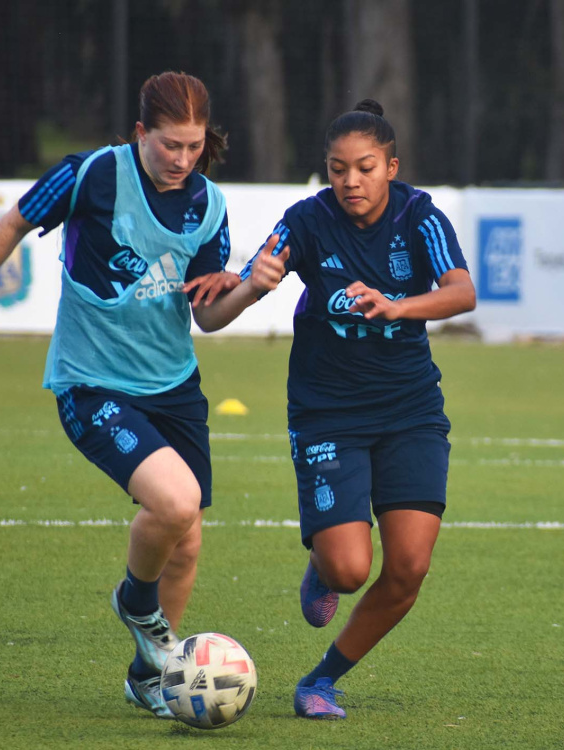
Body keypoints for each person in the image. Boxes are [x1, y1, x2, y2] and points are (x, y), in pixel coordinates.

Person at [0, 71, 283, 720]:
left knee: (186, 538)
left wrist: (253, 288)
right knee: (175, 503)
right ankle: (135, 602)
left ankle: (150, 678)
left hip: (175, 386)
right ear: (140, 134)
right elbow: (14, 223)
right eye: (169, 145)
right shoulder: (93, 175)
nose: (182, 160)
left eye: (194, 147)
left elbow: (207, 316)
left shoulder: (208, 204)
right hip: (91, 383)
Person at [189, 98, 476, 719]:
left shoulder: (421, 216)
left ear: (391, 167)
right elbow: (211, 317)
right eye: (337, 168)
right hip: (329, 412)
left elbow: (462, 292)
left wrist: (400, 306)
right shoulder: (306, 221)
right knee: (349, 571)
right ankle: (324, 563)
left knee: (408, 569)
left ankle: (321, 681)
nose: (351, 181)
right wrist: (250, 286)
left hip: (410, 410)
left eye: (365, 167)